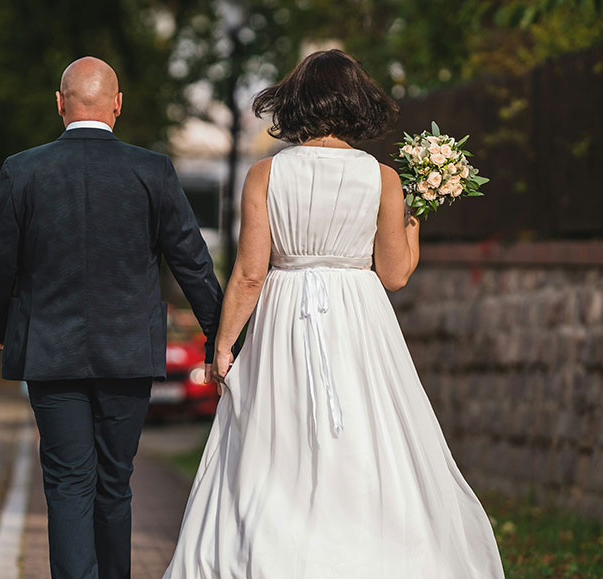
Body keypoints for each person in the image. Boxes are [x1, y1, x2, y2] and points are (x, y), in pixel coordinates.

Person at [163, 49, 505, 578]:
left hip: (285, 313)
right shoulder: (384, 179)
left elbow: (250, 274)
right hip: (357, 317)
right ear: (355, 103)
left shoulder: (265, 174)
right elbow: (393, 274)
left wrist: (224, 345)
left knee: (279, 440)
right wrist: (415, 220)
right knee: (365, 435)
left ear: (296, 104)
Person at [0, 56, 223, 579]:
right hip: (128, 354)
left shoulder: (22, 169)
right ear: (117, 104)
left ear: (60, 103)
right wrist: (220, 337)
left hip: (50, 353)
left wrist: (2, 329)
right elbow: (191, 262)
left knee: (68, 483)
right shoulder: (152, 170)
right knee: (115, 481)